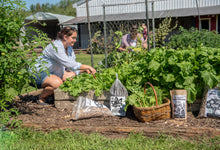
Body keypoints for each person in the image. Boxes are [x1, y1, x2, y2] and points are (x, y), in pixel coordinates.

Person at [29, 26, 96, 105]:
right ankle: (41, 98)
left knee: (71, 76)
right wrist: (88, 67)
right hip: (37, 73)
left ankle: (52, 94)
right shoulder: (56, 47)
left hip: (52, 73)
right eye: (73, 38)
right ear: (65, 37)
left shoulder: (69, 48)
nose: (75, 40)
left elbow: (71, 67)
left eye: (75, 38)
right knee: (57, 83)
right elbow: (70, 64)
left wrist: (83, 70)